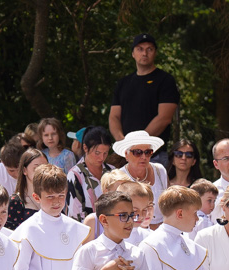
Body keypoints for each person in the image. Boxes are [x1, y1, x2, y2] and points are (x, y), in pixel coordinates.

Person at [109, 33, 180, 165]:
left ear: (155, 53)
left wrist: (137, 146)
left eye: (149, 49)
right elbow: (114, 117)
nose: (144, 53)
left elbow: (164, 118)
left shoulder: (166, 81)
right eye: (140, 49)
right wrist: (124, 144)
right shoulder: (123, 83)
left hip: (153, 155)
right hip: (125, 155)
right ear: (133, 53)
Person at [112, 130, 168, 228]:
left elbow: (168, 206)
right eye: (137, 152)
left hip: (161, 232)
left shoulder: (160, 170)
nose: (144, 157)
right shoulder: (119, 177)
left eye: (148, 152)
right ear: (126, 154)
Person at [66, 126, 114, 221]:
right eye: (97, 153)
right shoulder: (75, 175)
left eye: (105, 153)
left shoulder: (113, 171)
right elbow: (75, 216)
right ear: (85, 148)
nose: (101, 157)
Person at [5, 148, 47, 230]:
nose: (41, 172)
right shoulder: (15, 201)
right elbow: (10, 234)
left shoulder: (52, 197)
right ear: (25, 170)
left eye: (45, 168)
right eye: (36, 168)